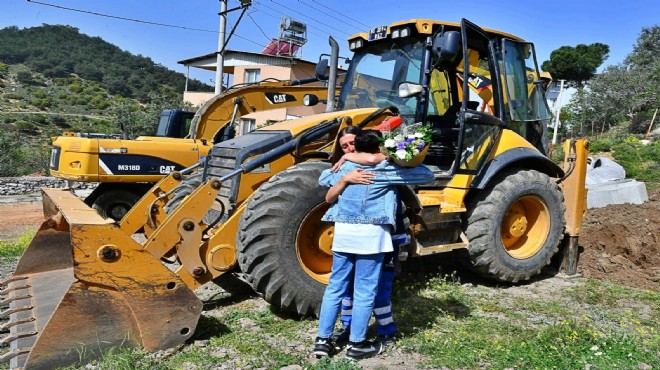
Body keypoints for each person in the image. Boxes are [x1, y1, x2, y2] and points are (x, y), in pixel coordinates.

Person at [314, 130, 434, 360]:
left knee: (335, 288)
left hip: (343, 235)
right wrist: (385, 158)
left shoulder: (346, 169)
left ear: (356, 148)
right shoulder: (387, 170)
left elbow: (323, 178)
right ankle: (356, 344)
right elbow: (426, 175)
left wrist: (349, 161)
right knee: (365, 291)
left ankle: (323, 340)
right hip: (372, 237)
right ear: (380, 147)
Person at [326, 127, 404, 345]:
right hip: (355, 238)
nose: (350, 149)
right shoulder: (345, 170)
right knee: (349, 289)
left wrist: (364, 157)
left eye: (353, 144)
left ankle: (385, 331)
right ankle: (349, 329)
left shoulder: (387, 167)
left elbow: (421, 174)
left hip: (385, 236)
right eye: (345, 147)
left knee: (379, 288)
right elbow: (326, 183)